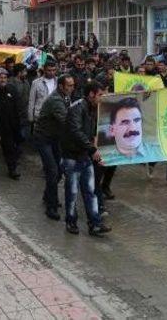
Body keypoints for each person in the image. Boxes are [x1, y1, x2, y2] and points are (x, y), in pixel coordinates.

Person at [61, 81, 111, 237]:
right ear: (91, 94)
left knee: (90, 192)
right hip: (72, 157)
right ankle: (71, 221)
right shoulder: (78, 108)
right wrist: (92, 149)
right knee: (73, 192)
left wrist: (95, 150)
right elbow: (76, 131)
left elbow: (94, 132)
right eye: (100, 95)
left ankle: (95, 224)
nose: (102, 98)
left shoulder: (93, 108)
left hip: (84, 156)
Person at [34, 74, 74, 221]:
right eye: (69, 85)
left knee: (58, 170)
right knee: (52, 171)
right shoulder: (56, 100)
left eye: (72, 85)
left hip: (55, 138)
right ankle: (51, 206)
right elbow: (67, 121)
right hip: (44, 138)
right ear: (61, 86)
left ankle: (48, 195)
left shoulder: (65, 97)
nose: (71, 88)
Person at [99, 97, 163, 164]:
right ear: (112, 130)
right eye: (125, 122)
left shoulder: (158, 153)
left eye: (137, 120)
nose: (132, 128)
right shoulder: (106, 158)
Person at [0, 68, 23, 179]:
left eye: (4, 78)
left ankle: (12, 169)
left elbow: (18, 106)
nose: (2, 80)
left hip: (9, 125)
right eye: (0, 78)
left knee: (9, 148)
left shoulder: (12, 89)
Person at [28, 61, 58, 127]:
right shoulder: (36, 83)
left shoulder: (59, 82)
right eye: (49, 70)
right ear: (44, 70)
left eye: (53, 70)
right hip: (40, 117)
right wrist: (30, 118)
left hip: (55, 116)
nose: (52, 72)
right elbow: (31, 101)